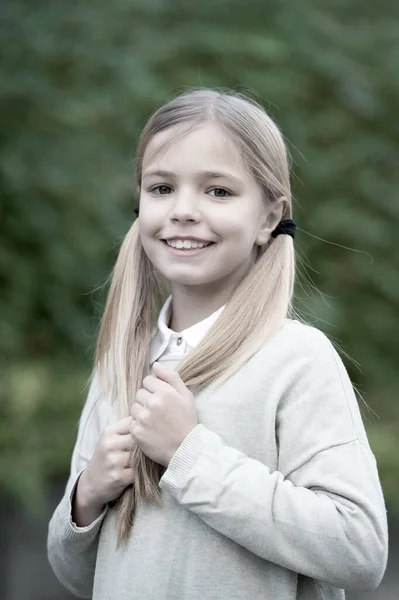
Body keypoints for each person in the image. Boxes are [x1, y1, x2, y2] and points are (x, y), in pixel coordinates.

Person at [47, 89, 388, 600]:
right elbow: (79, 576)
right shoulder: (119, 363)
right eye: (161, 188)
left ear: (269, 217)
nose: (183, 210)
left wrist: (189, 455)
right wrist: (87, 497)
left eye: (218, 192)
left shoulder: (297, 358)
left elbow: (359, 550)